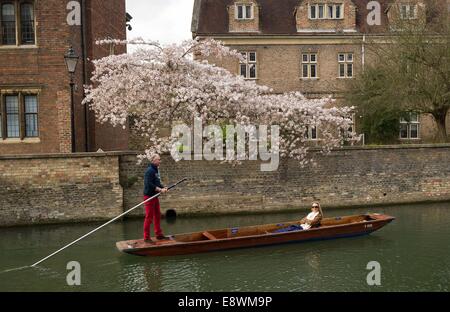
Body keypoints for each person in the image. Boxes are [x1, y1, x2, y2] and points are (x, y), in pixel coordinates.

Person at [143, 154, 169, 243]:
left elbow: (157, 182)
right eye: (158, 159)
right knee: (149, 217)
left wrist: (163, 187)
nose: (160, 161)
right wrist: (159, 189)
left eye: (160, 159)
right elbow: (148, 184)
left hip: (155, 197)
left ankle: (159, 234)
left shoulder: (155, 170)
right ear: (153, 161)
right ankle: (146, 237)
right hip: (149, 197)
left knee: (157, 215)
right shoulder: (149, 171)